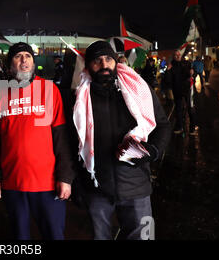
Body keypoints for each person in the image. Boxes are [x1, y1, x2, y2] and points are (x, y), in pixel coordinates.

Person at [71, 41, 171, 240]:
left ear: (116, 62)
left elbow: (162, 125)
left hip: (137, 187)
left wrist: (152, 151)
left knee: (144, 237)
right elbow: (71, 143)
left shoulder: (138, 90)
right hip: (97, 188)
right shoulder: (78, 100)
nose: (104, 65)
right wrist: (76, 184)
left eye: (108, 59)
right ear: (88, 66)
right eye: (97, 61)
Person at [0, 42, 75, 240]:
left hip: (48, 183)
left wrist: (65, 177)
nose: (24, 60)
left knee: (54, 234)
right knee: (19, 237)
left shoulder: (50, 90)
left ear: (33, 63)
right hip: (12, 183)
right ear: (10, 65)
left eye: (27, 56)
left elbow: (62, 139)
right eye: (18, 57)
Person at [165, 50, 197, 135]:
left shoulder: (186, 63)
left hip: (187, 89)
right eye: (176, 55)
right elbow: (168, 81)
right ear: (174, 56)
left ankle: (192, 128)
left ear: (181, 55)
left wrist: (192, 73)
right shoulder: (171, 65)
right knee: (178, 109)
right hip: (177, 91)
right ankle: (179, 126)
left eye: (179, 54)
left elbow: (193, 74)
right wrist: (168, 71)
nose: (178, 56)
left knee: (190, 108)